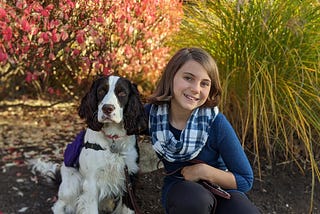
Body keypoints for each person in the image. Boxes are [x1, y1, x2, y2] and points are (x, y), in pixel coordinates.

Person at [145, 47, 260, 214]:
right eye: (188, 78)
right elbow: (120, 125)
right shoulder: (153, 115)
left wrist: (202, 171)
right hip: (182, 191)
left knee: (243, 211)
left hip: (218, 187)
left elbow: (245, 179)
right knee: (194, 200)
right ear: (171, 76)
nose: (196, 89)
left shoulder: (215, 122)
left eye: (204, 83)